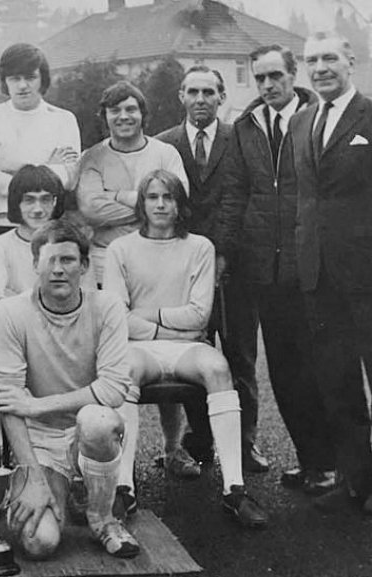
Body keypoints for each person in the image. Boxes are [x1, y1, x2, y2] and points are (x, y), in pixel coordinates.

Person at [103, 169, 269, 529]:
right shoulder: (120, 249)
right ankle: (124, 489)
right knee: (124, 370)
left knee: (219, 369)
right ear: (142, 204)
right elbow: (118, 316)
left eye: (169, 197)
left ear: (180, 205)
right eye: (153, 197)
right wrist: (163, 325)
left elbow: (199, 316)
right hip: (140, 349)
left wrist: (148, 315)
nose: (161, 204)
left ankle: (234, 490)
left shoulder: (200, 247)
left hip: (188, 348)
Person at [225, 44, 341, 494]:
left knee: (322, 368)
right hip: (264, 271)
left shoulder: (316, 121)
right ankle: (311, 460)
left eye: (276, 75)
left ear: (293, 74)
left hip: (310, 269)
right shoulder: (245, 127)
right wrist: (225, 250)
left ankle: (336, 462)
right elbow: (237, 191)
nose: (268, 85)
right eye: (260, 78)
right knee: (285, 372)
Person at [0, 219, 139, 559]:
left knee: (97, 420)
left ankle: (103, 517)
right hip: (40, 440)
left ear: (84, 266)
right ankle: (67, 489)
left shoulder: (107, 306)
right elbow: (9, 399)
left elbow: (114, 389)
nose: (58, 270)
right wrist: (32, 477)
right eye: (49, 261)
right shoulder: (11, 312)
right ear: (34, 265)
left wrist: (38, 405)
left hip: (88, 430)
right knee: (38, 542)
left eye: (68, 260)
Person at [156, 65, 268, 475]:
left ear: (221, 97)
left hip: (235, 269)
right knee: (194, 356)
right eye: (192, 92)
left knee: (239, 356)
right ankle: (200, 441)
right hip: (185, 270)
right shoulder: (165, 145)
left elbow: (242, 198)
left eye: (208, 92)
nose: (200, 99)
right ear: (180, 97)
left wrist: (222, 251)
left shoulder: (238, 139)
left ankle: (245, 444)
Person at [282, 32, 372, 515]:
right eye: (312, 60)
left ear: (350, 61)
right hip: (318, 275)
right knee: (336, 384)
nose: (320, 67)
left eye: (329, 58)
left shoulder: (370, 115)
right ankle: (357, 481)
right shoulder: (300, 122)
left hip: (367, 275)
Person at [76, 81, 187, 286]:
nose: (124, 116)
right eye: (115, 110)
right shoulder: (91, 158)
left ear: (143, 114)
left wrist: (115, 195)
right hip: (104, 263)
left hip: (158, 261)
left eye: (131, 109)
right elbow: (91, 209)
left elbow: (177, 202)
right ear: (105, 117)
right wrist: (151, 206)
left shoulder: (165, 153)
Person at [0, 43, 80, 243]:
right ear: (5, 81)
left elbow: (68, 178)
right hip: (2, 221)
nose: (23, 86)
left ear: (42, 79)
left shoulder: (63, 119)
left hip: (48, 224)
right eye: (15, 78)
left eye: (30, 77)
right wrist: (47, 169)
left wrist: (9, 172)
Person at [0, 164, 66, 301]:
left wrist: (16, 297)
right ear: (17, 203)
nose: (38, 209)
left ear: (55, 202)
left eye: (45, 200)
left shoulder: (71, 243)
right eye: (29, 200)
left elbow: (87, 299)